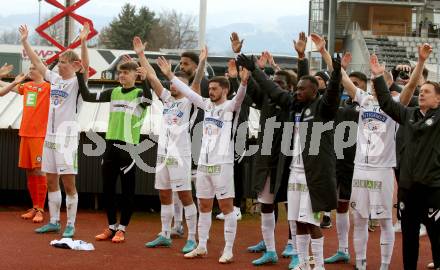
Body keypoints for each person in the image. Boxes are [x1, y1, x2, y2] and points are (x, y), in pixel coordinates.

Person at [237, 50, 342, 270]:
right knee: (297, 222)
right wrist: (255, 68)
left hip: (315, 177)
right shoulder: (293, 105)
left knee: (312, 223)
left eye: (303, 89)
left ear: (315, 92)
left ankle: (318, 265)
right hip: (295, 172)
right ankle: (304, 264)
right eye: (298, 88)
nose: (298, 92)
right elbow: (272, 89)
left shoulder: (323, 109)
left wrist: (336, 71)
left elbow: (332, 93)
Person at [159, 55, 249, 263]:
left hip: (223, 165)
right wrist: (170, 75)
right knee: (204, 207)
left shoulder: (230, 107)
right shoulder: (206, 104)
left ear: (225, 90)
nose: (211, 91)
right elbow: (189, 92)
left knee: (227, 208)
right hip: (203, 165)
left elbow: (240, 98)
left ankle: (228, 249)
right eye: (211, 88)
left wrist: (242, 82)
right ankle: (201, 246)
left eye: (215, 89)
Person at [76, 36, 152, 243]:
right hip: (110, 145)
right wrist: (79, 76)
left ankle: (122, 229)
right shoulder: (114, 91)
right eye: (120, 72)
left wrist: (145, 80)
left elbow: (149, 101)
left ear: (135, 74)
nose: (121, 76)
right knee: (107, 190)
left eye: (125, 72)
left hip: (129, 147)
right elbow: (88, 97)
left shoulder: (139, 93)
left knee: (127, 192)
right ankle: (111, 227)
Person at [373, 46, 439, 270]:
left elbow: (415, 83)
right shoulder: (408, 114)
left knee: (436, 232)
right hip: (408, 188)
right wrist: (377, 77)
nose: (422, 93)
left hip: (433, 187)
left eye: (428, 92)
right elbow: (386, 104)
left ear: (438, 100)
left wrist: (421, 63)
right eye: (422, 91)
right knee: (409, 234)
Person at [243, 32, 307, 266]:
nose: (274, 86)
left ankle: (295, 248)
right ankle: (270, 250)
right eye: (274, 82)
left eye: (280, 84)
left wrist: (301, 56)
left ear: (291, 88)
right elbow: (251, 87)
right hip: (266, 156)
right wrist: (249, 66)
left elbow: (305, 79)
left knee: (292, 206)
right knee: (266, 203)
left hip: (288, 158)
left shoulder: (294, 102)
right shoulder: (267, 100)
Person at [20, 24, 89, 238]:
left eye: (62, 62)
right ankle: (54, 221)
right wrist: (24, 41)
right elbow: (38, 63)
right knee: (50, 180)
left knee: (69, 183)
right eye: (58, 61)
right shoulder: (55, 79)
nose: (59, 65)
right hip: (49, 138)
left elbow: (85, 65)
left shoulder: (78, 82)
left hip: (67, 138)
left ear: (74, 65)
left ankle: (71, 224)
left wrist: (84, 41)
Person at [143, 41, 207, 254]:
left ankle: (191, 238)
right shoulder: (168, 99)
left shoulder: (189, 101)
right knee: (164, 194)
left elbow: (196, 84)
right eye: (172, 82)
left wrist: (202, 63)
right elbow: (152, 77)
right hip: (162, 153)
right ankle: (165, 233)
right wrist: (141, 54)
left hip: (180, 154)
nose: (173, 85)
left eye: (178, 83)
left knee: (186, 196)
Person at [0, 64, 50, 223]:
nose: (31, 70)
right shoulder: (26, 86)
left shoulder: (49, 87)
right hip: (25, 134)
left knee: (39, 171)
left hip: (39, 136)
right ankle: (34, 206)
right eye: (30, 67)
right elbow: (7, 89)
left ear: (42, 70)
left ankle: (41, 209)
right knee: (29, 171)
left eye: (34, 67)